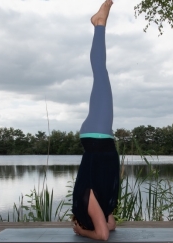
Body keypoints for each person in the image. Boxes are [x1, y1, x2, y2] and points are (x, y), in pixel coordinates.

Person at [71, 0, 119, 241]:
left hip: (97, 136)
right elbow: (110, 226)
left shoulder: (86, 200)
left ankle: (99, 24)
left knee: (101, 73)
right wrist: (95, 224)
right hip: (98, 138)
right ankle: (99, 23)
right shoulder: (95, 206)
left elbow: (102, 235)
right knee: (101, 75)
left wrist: (81, 232)